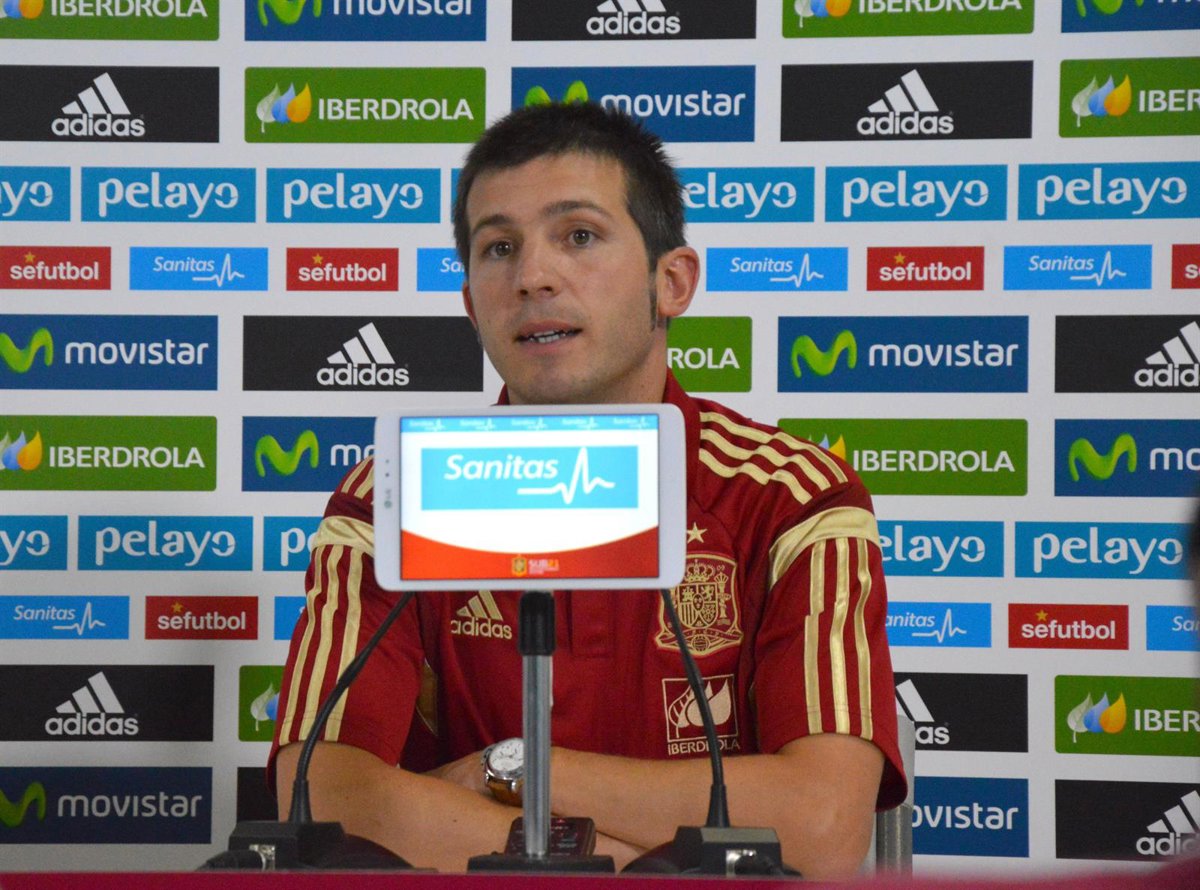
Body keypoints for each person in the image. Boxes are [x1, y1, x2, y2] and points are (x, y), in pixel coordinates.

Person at [269, 102, 906, 878]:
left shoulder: (791, 498)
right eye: (499, 247)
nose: (532, 277)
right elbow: (321, 806)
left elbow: (822, 830)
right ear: (471, 304)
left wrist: (515, 769)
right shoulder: (392, 496)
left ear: (672, 282)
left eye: (578, 235)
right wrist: (631, 864)